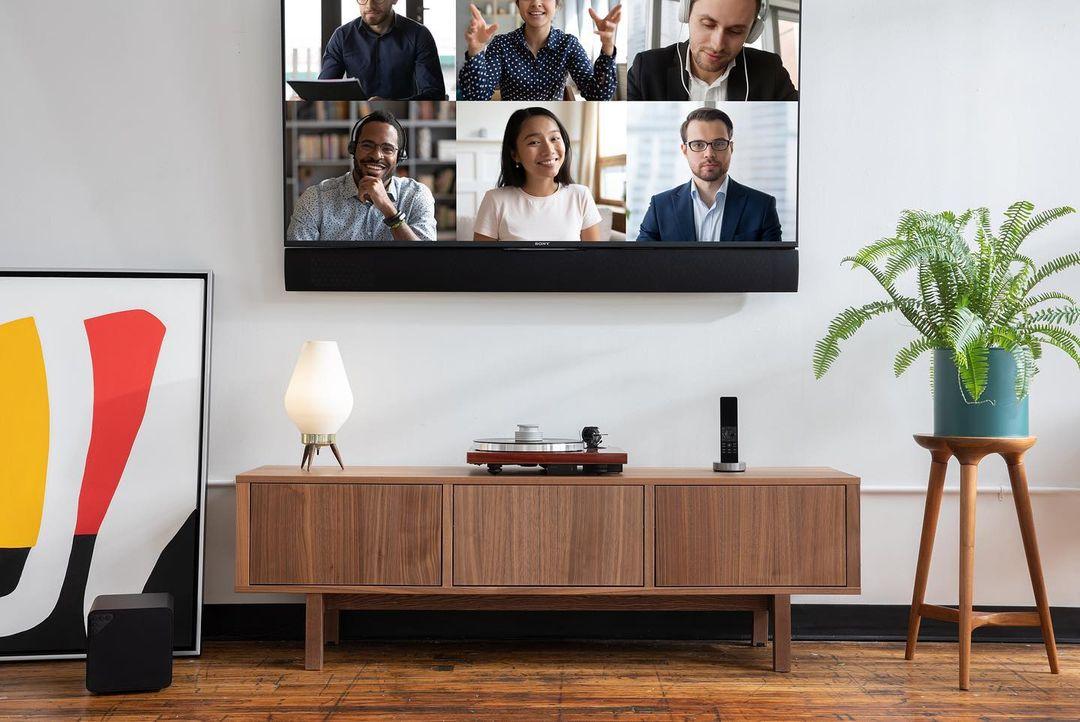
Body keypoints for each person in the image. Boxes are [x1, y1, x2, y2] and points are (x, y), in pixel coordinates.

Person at [637, 107, 782, 242]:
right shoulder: (660, 206)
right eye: (698, 145)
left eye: (718, 144)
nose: (709, 154)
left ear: (731, 148)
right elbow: (641, 261)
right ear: (685, 150)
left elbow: (772, 266)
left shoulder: (762, 206)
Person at [287, 110, 436, 241]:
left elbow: (426, 263)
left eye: (388, 149)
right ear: (353, 149)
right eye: (367, 145)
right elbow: (299, 264)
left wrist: (388, 209)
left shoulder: (416, 195)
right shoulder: (315, 198)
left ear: (399, 157)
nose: (377, 155)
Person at [473, 107, 603, 241]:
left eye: (554, 138)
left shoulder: (581, 196)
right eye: (534, 142)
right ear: (515, 154)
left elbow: (593, 259)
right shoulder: (495, 200)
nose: (549, 150)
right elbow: (482, 261)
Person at [628, 0, 797, 101]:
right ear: (686, 13)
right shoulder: (646, 69)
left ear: (752, 33)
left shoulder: (771, 71)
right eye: (708, 24)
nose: (717, 45)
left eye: (735, 31)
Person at [458, 1, 621, 101]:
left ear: (557, 5)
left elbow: (598, 95)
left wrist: (607, 47)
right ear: (517, 3)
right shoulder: (501, 44)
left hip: (553, 119)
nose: (536, 2)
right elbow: (476, 97)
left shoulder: (568, 44)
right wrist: (476, 51)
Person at [319, 0, 446, 100]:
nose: (369, 5)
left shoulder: (419, 35)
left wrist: (390, 104)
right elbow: (323, 89)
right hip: (356, 114)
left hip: (402, 114)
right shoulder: (342, 36)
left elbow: (435, 94)